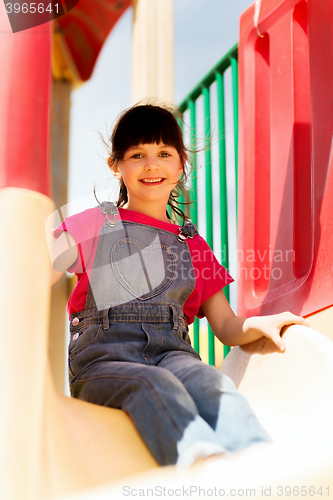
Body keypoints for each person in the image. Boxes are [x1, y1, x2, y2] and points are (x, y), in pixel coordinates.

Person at [50, 102, 308, 468]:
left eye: (163, 153)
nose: (151, 165)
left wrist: (259, 324)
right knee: (156, 386)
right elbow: (45, 263)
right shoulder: (95, 223)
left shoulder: (191, 244)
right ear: (116, 165)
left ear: (180, 163)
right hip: (105, 362)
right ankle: (204, 465)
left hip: (173, 355)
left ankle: (261, 463)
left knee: (210, 383)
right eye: (137, 154)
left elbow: (226, 326)